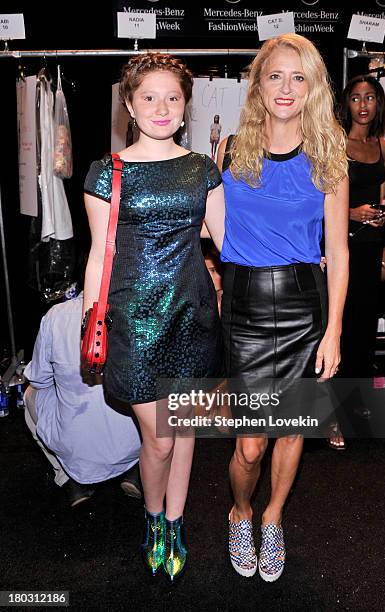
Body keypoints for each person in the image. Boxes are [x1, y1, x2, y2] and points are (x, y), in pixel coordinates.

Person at [83, 53, 225, 581]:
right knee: (159, 436)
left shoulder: (202, 168)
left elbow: (228, 241)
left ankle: (175, 521)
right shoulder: (105, 173)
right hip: (133, 319)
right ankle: (151, 517)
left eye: (172, 97)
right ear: (128, 104)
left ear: (186, 105)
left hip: (192, 315)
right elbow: (100, 252)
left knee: (183, 429)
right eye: (149, 97)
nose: (161, 107)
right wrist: (91, 318)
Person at [217, 33, 349, 582]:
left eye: (299, 77)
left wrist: (334, 330)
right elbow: (216, 229)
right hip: (245, 304)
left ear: (313, 86)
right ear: (259, 84)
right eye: (276, 75)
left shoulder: (328, 156)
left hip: (303, 304)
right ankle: (240, 510)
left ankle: (273, 518)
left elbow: (339, 253)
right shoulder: (229, 150)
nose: (286, 87)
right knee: (250, 444)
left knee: (291, 429)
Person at [24, 291, 142, 507]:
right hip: (136, 442)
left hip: (77, 448)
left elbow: (39, 380)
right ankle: (136, 470)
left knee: (30, 394)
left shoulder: (56, 315)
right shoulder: (142, 310)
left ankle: (69, 478)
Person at [334, 75, 385, 434]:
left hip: (371, 249)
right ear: (347, 104)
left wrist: (384, 214)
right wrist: (351, 212)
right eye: (356, 98)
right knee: (337, 329)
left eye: (370, 97)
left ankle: (353, 411)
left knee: (363, 332)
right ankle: (333, 417)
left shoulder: (384, 148)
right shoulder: (335, 144)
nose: (363, 104)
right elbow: (319, 203)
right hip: (341, 248)